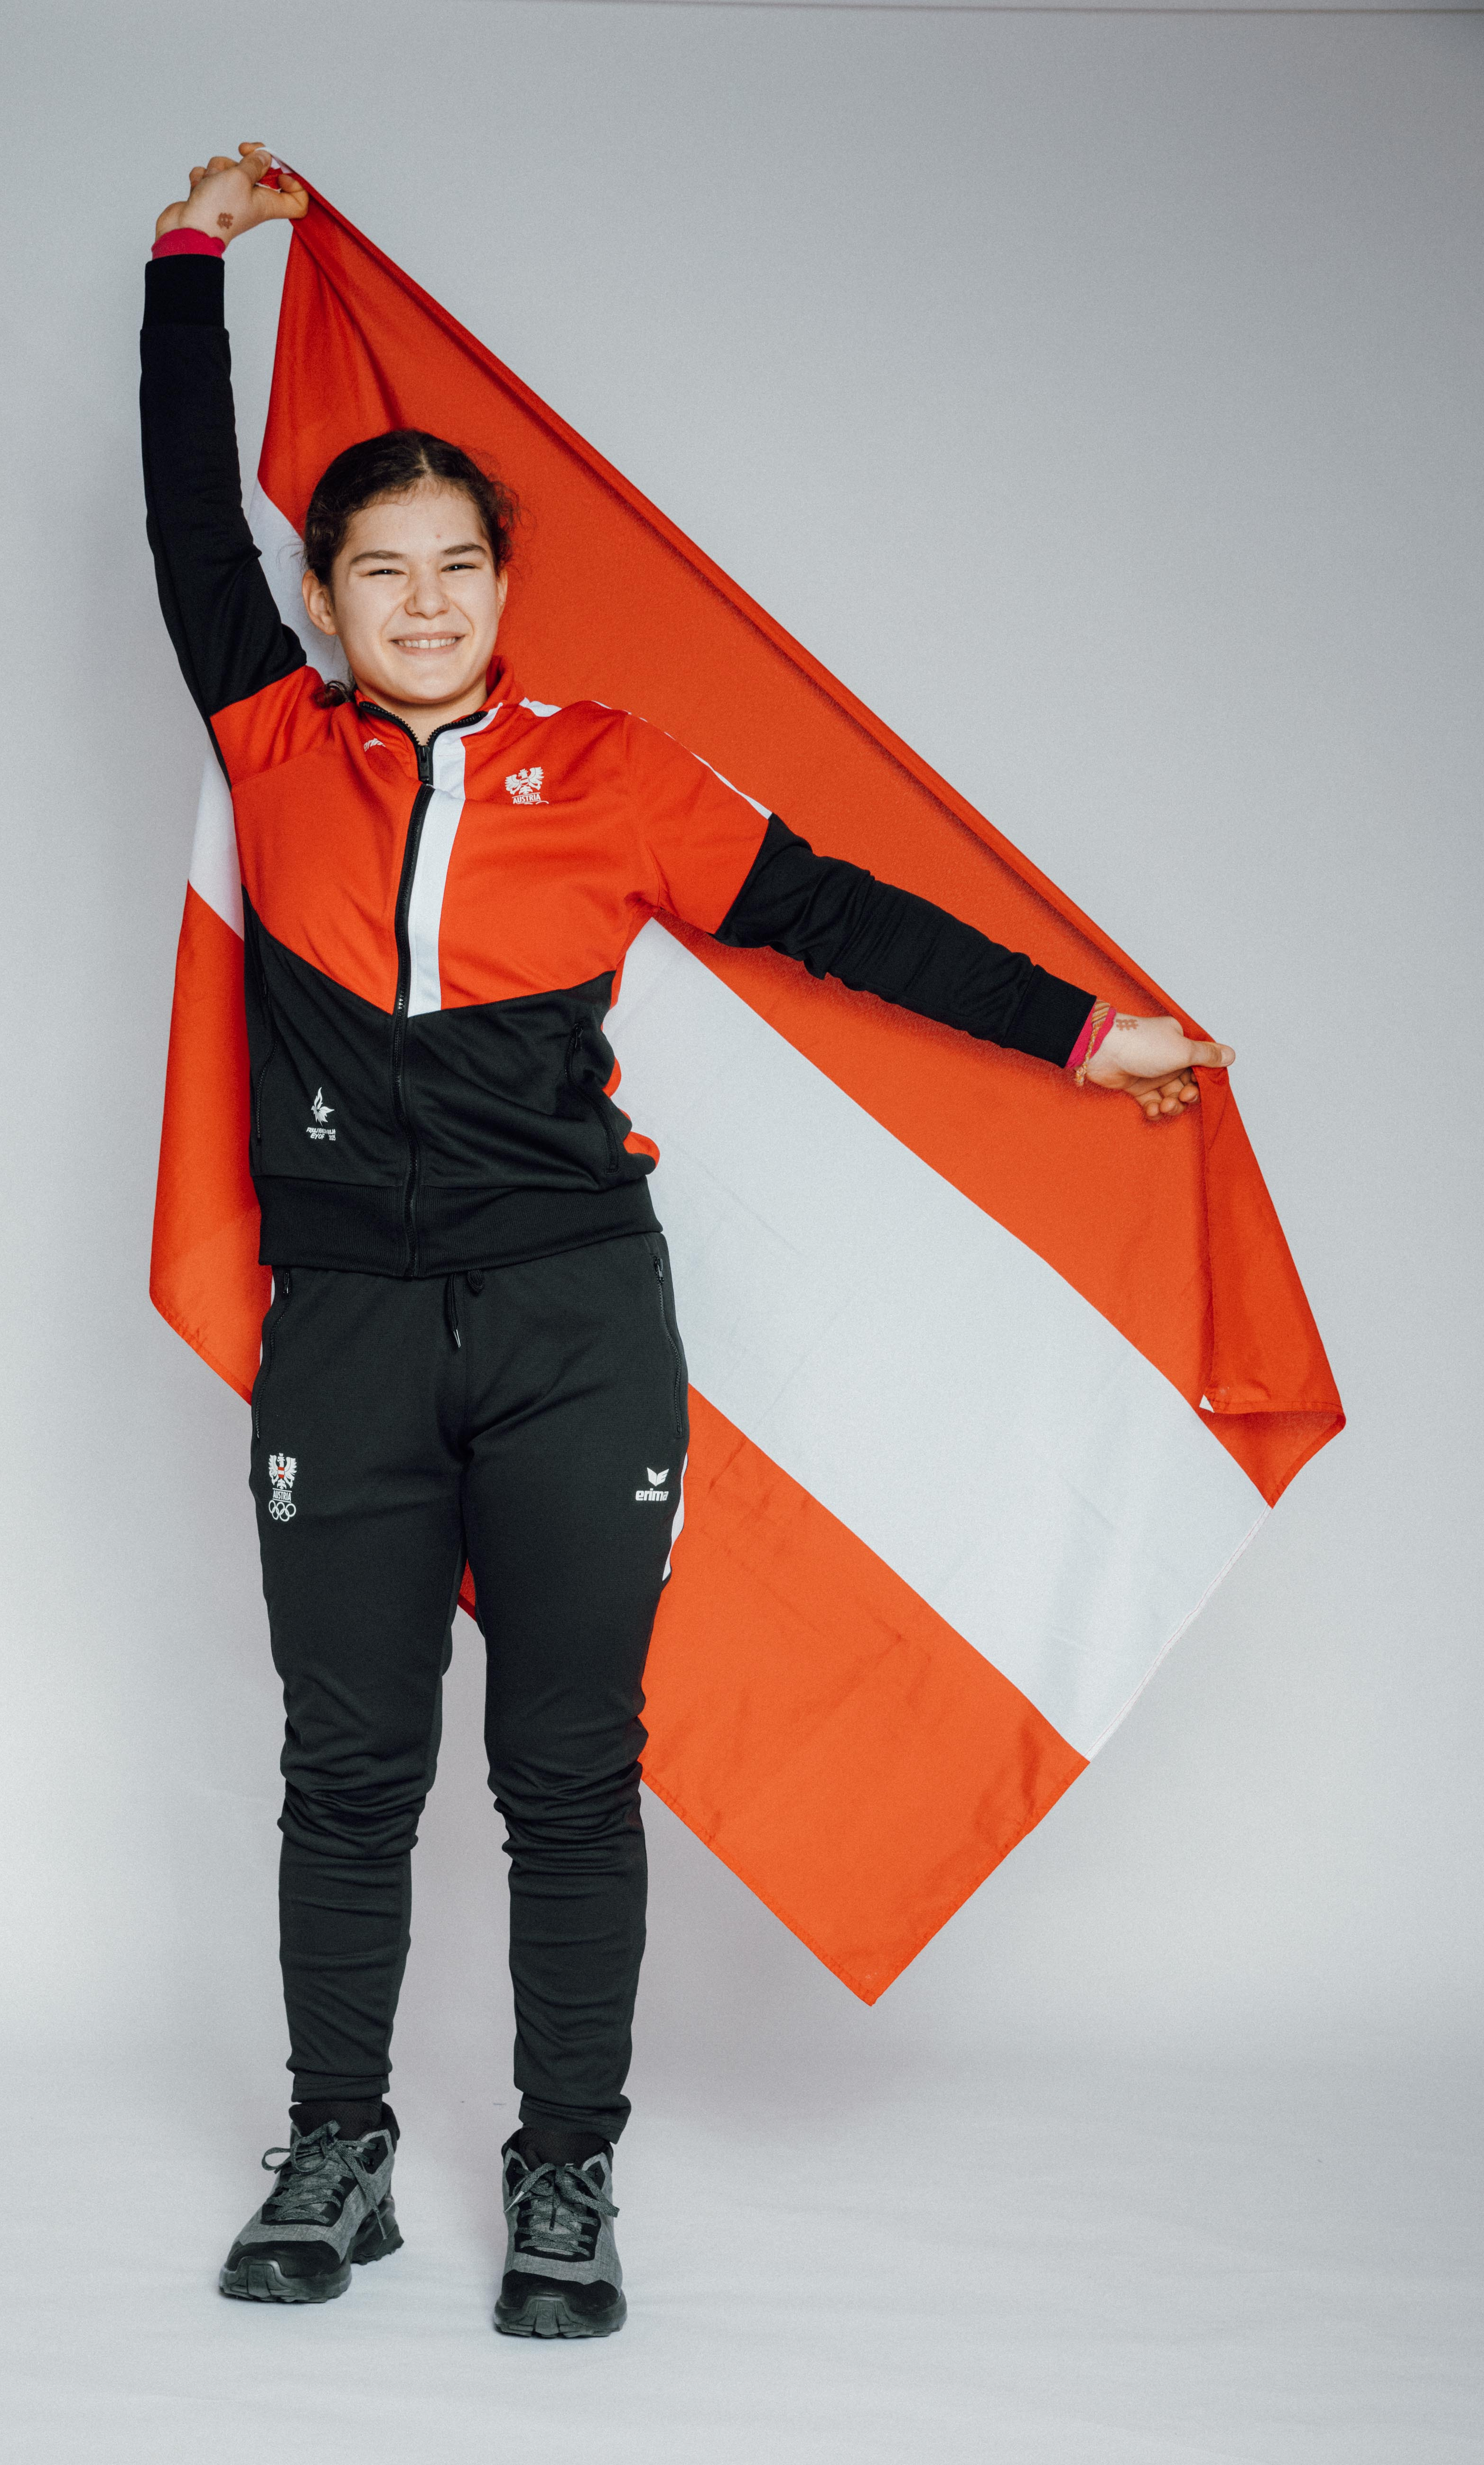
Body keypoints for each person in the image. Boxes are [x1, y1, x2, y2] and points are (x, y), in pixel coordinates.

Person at [141, 141, 1234, 2339]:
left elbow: (831, 913)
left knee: (564, 1770)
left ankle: (564, 2175)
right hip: (345, 1328)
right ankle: (336, 2152)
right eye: (380, 573)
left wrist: (1080, 1029)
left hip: (572, 1324)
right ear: (322, 602)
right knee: (346, 1771)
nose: (424, 604)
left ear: (498, 589)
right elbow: (183, 511)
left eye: (458, 568)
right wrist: (188, 267)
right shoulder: (268, 741)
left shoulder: (617, 772)